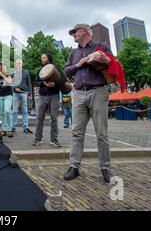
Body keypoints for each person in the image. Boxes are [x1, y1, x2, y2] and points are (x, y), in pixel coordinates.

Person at [63, 23, 114, 183]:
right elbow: (66, 71)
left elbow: (113, 65)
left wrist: (103, 58)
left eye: (75, 32)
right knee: (76, 132)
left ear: (84, 31)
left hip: (98, 90)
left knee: (102, 133)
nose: (73, 35)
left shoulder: (100, 46)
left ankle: (105, 168)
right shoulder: (74, 52)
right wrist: (78, 64)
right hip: (78, 93)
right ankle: (74, 166)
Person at [33, 53, 67, 147]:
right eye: (41, 58)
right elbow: (36, 82)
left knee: (54, 118)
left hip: (54, 95)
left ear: (49, 58)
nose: (42, 59)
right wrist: (44, 84)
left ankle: (54, 139)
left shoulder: (55, 68)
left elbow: (64, 79)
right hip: (42, 96)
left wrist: (54, 84)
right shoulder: (40, 70)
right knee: (40, 118)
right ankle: (37, 139)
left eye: (44, 57)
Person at [11, 59, 33, 134]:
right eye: (17, 63)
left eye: (20, 63)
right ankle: (13, 127)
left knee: (25, 111)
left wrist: (30, 94)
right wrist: (14, 88)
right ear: (15, 65)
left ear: (22, 64)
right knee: (14, 111)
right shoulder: (13, 73)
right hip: (15, 94)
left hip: (24, 93)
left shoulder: (26, 72)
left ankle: (26, 127)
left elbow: (29, 83)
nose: (18, 65)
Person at [0, 62, 14, 137]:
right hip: (0, 96)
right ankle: (4, 129)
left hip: (8, 95)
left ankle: (9, 129)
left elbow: (10, 82)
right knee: (2, 113)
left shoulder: (8, 74)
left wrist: (2, 75)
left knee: (7, 111)